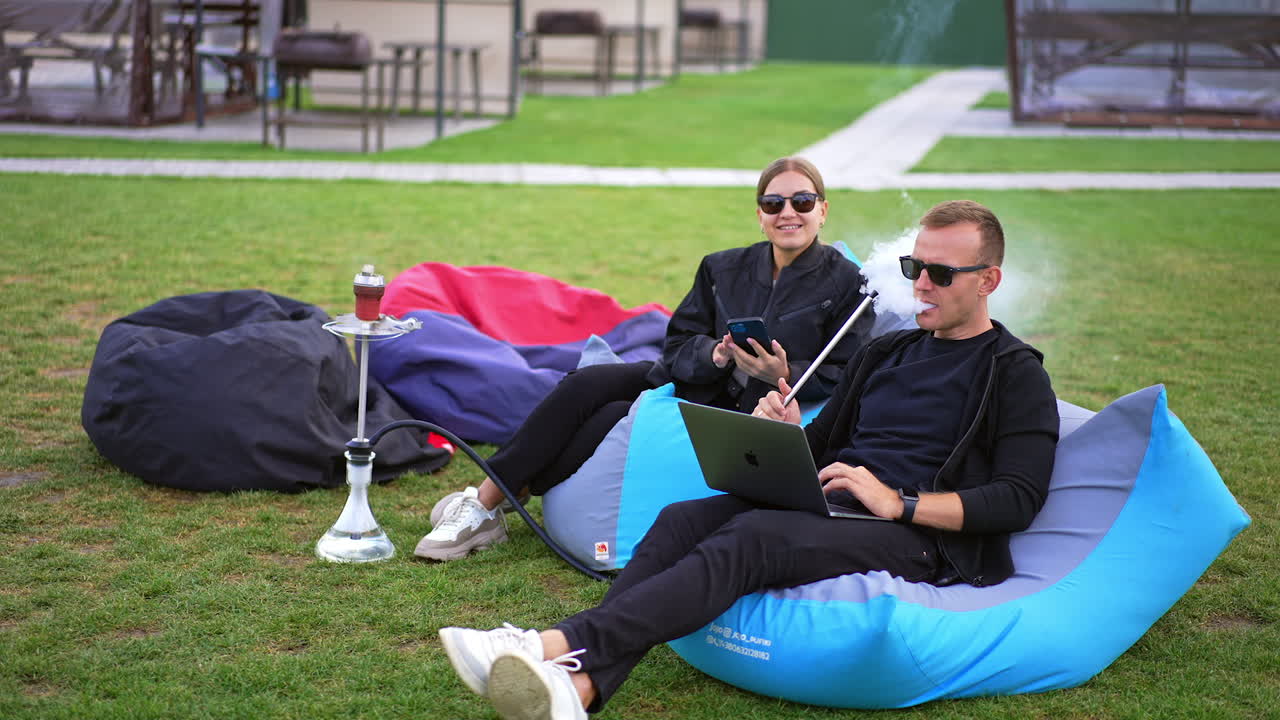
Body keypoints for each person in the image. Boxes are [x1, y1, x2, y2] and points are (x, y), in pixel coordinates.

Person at [435, 200, 1061, 719]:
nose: (920, 284)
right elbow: (822, 448)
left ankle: (554, 644)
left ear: (988, 280)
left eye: (940, 273)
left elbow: (1018, 497)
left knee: (754, 536)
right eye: (913, 266)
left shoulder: (1012, 372)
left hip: (915, 534)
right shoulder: (887, 352)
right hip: (833, 503)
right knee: (681, 518)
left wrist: (897, 502)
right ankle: (582, 686)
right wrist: (784, 433)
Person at [416, 156, 874, 561]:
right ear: (759, 215)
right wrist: (714, 354)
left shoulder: (848, 283)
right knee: (582, 384)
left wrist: (784, 375)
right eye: (774, 204)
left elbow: (845, 373)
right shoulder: (722, 266)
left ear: (823, 210)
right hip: (691, 379)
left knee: (608, 421)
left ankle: (492, 499)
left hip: (742, 407)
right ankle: (484, 505)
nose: (788, 213)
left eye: (802, 201)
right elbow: (676, 343)